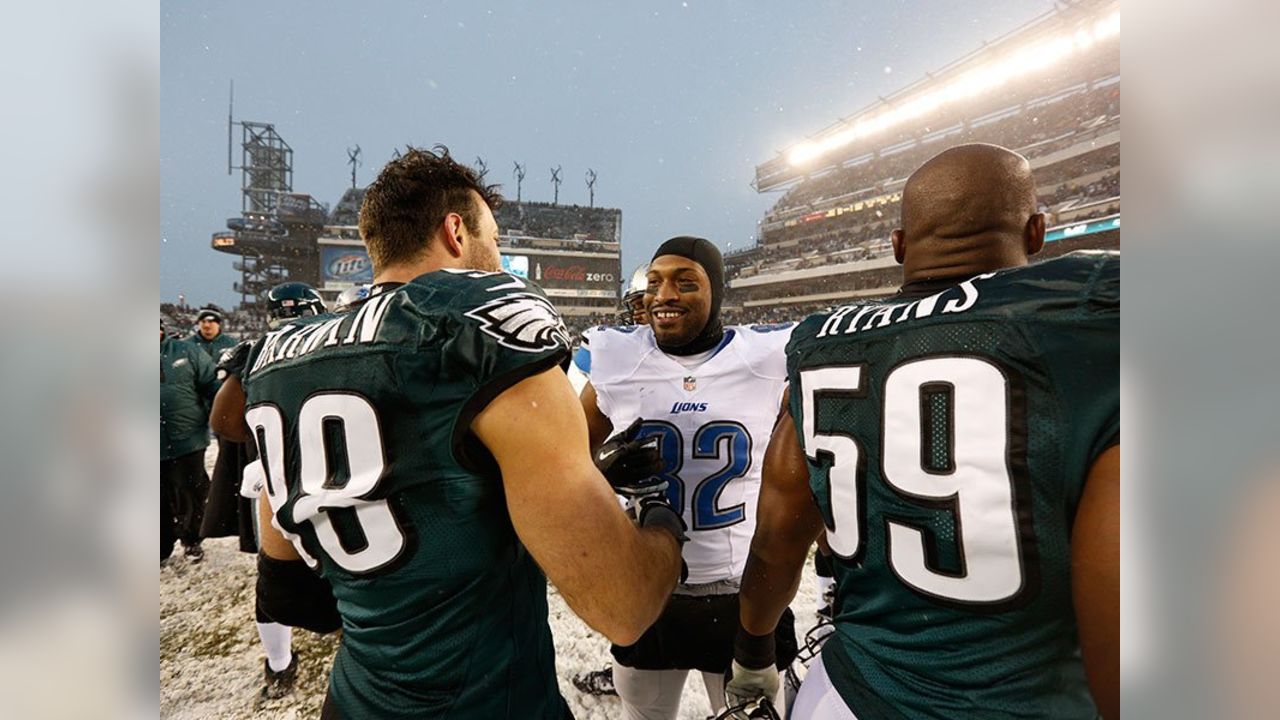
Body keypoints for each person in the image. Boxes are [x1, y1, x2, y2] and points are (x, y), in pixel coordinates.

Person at [239, 147, 685, 720]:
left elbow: (292, 593)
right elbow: (622, 607)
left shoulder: (283, 355)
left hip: (355, 700)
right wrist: (664, 527)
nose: (499, 260)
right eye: (494, 240)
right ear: (456, 231)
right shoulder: (478, 325)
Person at [726, 144, 1120, 720]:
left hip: (849, 694)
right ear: (1036, 231)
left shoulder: (820, 343)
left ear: (898, 245)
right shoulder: (1089, 310)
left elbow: (777, 540)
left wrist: (752, 651)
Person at [575, 236, 798, 720]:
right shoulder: (617, 361)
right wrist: (601, 468)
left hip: (742, 591)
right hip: (649, 589)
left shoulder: (765, 360)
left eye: (685, 282)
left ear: (716, 291)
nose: (664, 295)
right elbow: (567, 460)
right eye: (654, 282)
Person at [208, 282, 332, 706]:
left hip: (291, 482)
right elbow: (226, 424)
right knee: (287, 585)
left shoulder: (263, 351)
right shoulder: (337, 339)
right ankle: (280, 662)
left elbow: (226, 424)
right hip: (334, 482)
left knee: (282, 583)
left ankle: (281, 663)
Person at [160, 318, 218, 563]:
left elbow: (213, 386)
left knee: (192, 490)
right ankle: (160, 547)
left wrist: (216, 416)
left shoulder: (187, 351)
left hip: (188, 438)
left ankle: (192, 540)